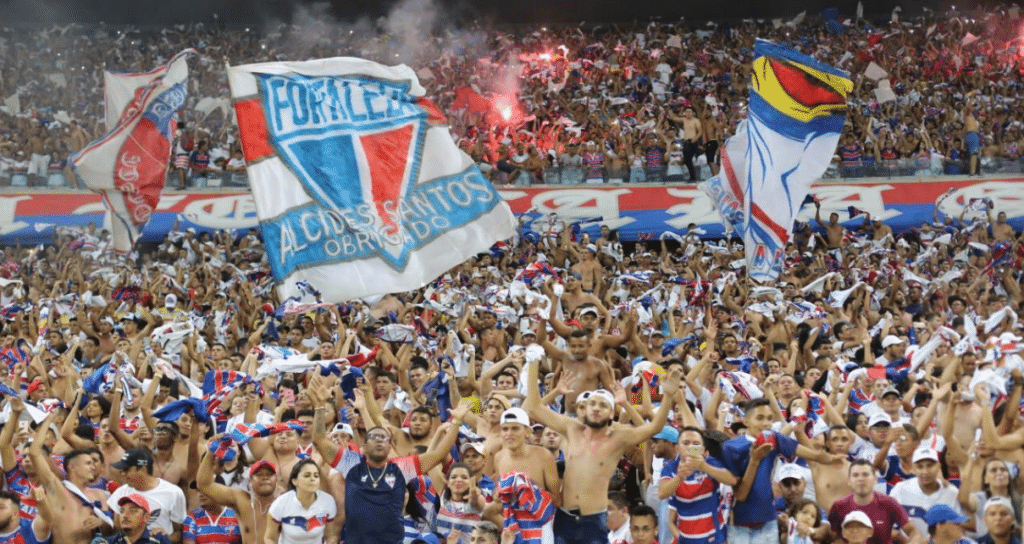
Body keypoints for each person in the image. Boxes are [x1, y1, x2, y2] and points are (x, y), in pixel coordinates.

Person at [523, 357, 681, 544]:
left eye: (603, 405)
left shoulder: (618, 436)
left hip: (594, 520)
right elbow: (532, 408)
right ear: (585, 408)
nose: (597, 408)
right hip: (564, 518)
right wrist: (533, 363)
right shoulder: (570, 428)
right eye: (593, 404)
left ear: (611, 413)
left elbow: (654, 428)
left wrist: (669, 396)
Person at [723, 398, 842, 544]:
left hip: (768, 521)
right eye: (760, 418)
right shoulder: (730, 447)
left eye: (769, 418)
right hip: (739, 524)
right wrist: (754, 460)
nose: (766, 423)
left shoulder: (773, 438)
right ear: (746, 421)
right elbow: (739, 495)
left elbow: (810, 453)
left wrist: (828, 458)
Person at [659, 426, 736, 544]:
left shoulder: (710, 462)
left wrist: (704, 467)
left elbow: (732, 480)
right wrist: (680, 477)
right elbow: (662, 493)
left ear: (702, 448)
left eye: (696, 443)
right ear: (677, 448)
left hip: (715, 537)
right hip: (687, 539)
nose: (690, 447)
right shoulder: (671, 468)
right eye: (686, 443)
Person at [827, 460, 926, 544]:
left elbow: (913, 531)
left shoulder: (889, 503)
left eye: (865, 474)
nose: (860, 479)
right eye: (855, 475)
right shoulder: (838, 506)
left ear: (875, 479)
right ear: (849, 480)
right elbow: (833, 537)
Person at [107, 449, 187, 542]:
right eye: (122, 471)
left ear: (142, 470)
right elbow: (117, 530)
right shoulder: (121, 492)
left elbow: (179, 533)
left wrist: (162, 538)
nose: (123, 474)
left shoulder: (173, 493)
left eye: (126, 470)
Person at [196, 455, 280, 544]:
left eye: (270, 474)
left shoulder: (284, 503)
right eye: (259, 475)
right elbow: (204, 485)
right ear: (250, 480)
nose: (265, 478)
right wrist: (211, 452)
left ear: (276, 479)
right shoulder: (241, 499)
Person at [264, 458, 339, 544]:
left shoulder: (328, 501)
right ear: (295, 481)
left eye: (316, 476)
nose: (312, 479)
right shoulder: (280, 503)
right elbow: (269, 538)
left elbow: (330, 536)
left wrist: (332, 541)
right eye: (307, 475)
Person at [889, 448, 962, 537]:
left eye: (930, 465)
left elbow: (958, 527)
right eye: (920, 467)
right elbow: (889, 525)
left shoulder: (951, 492)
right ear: (913, 468)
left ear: (939, 466)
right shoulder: (899, 489)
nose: (925, 471)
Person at [97, 494, 172, 544]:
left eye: (133, 511)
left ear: (146, 517)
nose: (125, 516)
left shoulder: (160, 541)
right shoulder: (110, 542)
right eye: (122, 511)